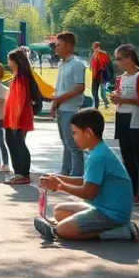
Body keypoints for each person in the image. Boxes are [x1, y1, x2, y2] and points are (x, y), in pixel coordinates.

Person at [34, 109, 139, 242]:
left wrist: (59, 186)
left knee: (63, 229)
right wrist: (58, 178)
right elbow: (87, 181)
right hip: (103, 208)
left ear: (88, 132)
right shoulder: (99, 151)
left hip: (112, 214)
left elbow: (89, 193)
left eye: (75, 133)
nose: (73, 137)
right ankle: (105, 227)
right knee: (59, 211)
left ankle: (122, 231)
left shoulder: (98, 157)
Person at [111, 44, 139, 206]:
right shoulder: (120, 78)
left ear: (129, 58)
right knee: (127, 157)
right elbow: (121, 98)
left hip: (137, 121)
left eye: (120, 58)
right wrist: (117, 98)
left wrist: (123, 100)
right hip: (122, 118)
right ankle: (132, 190)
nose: (118, 62)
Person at [50, 32, 87, 176]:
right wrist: (55, 103)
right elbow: (60, 88)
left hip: (70, 110)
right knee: (66, 143)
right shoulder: (62, 64)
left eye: (59, 45)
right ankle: (66, 171)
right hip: (61, 109)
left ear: (69, 46)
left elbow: (80, 87)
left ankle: (77, 175)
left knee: (73, 145)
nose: (56, 48)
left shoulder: (77, 64)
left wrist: (60, 99)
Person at [3, 49, 40, 185]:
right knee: (11, 142)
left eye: (10, 61)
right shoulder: (17, 76)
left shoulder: (22, 78)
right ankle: (18, 172)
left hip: (18, 117)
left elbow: (21, 100)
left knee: (19, 144)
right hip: (12, 117)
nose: (9, 63)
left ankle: (24, 173)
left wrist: (16, 119)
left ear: (15, 61)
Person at [89, 42, 112, 109]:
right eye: (93, 46)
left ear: (98, 47)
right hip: (95, 77)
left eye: (95, 46)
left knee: (102, 94)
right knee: (94, 93)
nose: (94, 48)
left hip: (102, 77)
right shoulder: (93, 54)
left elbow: (105, 63)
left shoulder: (102, 53)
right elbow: (92, 64)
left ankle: (105, 103)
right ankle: (96, 107)